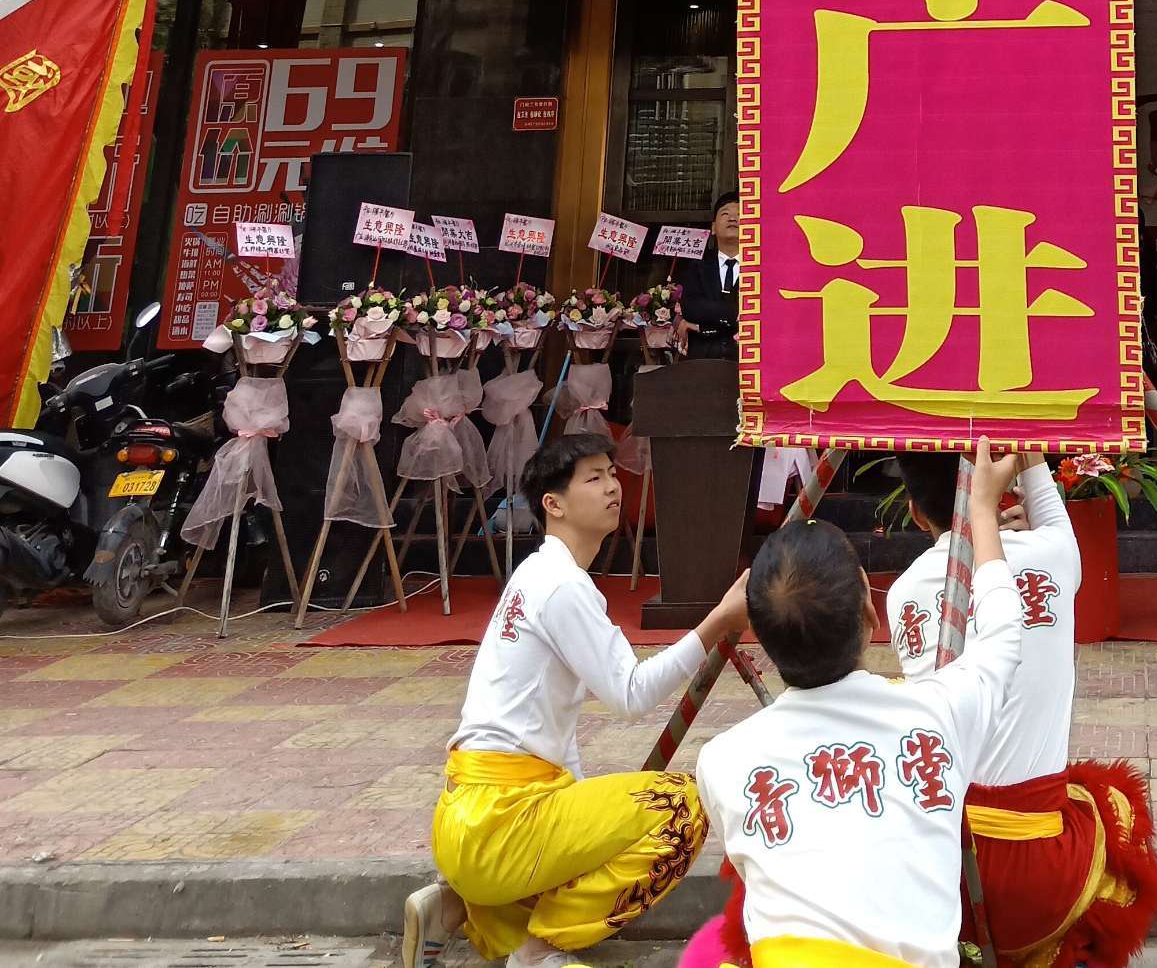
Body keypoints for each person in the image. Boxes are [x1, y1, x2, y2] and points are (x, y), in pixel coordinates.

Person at [401, 434, 748, 968]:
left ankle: (452, 908)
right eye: (593, 478)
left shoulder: (537, 575)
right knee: (684, 806)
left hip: (469, 818)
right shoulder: (561, 585)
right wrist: (718, 621)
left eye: (612, 473)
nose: (612, 485)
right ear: (553, 504)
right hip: (501, 822)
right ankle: (539, 954)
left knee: (575, 870)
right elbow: (631, 694)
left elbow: (559, 747)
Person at [689, 440, 1025, 968]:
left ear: (757, 633)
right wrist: (982, 511)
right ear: (871, 612)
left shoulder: (721, 760)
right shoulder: (939, 713)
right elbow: (1004, 632)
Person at [885, 452, 1157, 968]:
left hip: (947, 867)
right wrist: (1029, 453)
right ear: (1003, 483)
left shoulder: (901, 594)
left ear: (915, 512)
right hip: (1046, 872)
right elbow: (1057, 524)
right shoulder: (1053, 555)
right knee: (1115, 803)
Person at [680, 192, 743, 358]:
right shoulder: (697, 266)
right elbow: (691, 308)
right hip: (703, 363)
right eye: (725, 213)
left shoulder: (761, 268)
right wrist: (733, 313)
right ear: (713, 228)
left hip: (746, 365)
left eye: (739, 214)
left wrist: (700, 327)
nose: (732, 218)